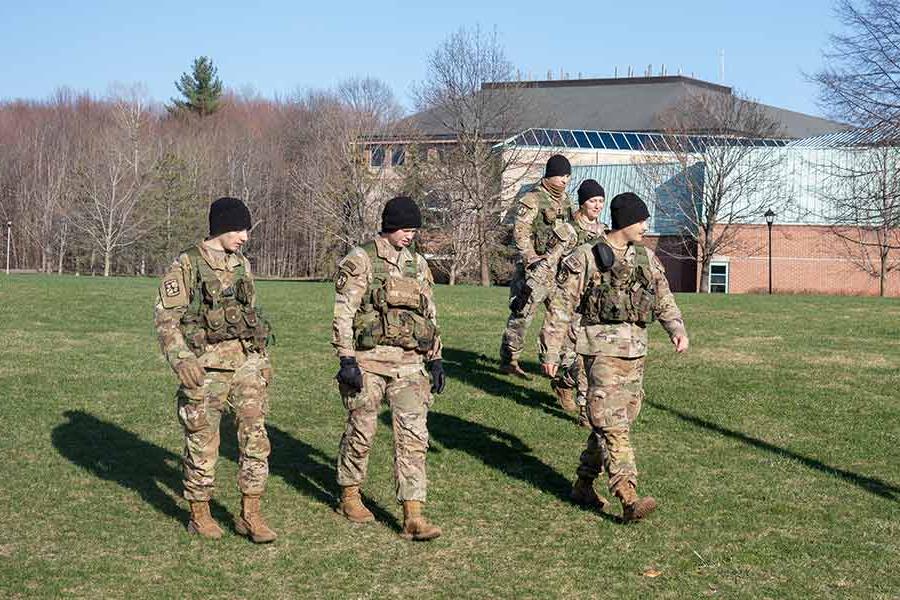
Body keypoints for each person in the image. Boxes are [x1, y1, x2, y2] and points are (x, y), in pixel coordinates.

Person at [541, 192, 689, 521]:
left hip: (634, 350)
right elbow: (561, 306)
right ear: (626, 221)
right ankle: (628, 494)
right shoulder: (586, 257)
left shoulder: (645, 259)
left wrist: (676, 329)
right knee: (614, 424)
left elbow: (663, 297)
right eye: (641, 221)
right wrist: (550, 350)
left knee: (615, 420)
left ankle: (583, 484)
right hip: (599, 350)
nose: (646, 227)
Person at [154, 196, 277, 542]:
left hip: (244, 366)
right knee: (203, 441)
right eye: (240, 229)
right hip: (205, 369)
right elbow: (166, 319)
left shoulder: (242, 265)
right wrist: (181, 359)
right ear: (222, 226)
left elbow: (252, 318)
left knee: (256, 438)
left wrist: (262, 360)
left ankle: (250, 514)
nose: (245, 237)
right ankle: (200, 512)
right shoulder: (187, 265)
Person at [332, 196, 445, 541]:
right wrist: (347, 358)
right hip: (367, 362)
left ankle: (413, 515)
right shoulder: (361, 259)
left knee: (413, 438)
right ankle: (349, 495)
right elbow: (343, 313)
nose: (411, 236)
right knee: (361, 432)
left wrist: (436, 356)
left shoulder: (418, 265)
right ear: (391, 226)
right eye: (406, 229)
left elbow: (428, 313)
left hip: (409, 364)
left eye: (414, 230)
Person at [500, 154, 573, 379]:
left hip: (558, 271)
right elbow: (520, 231)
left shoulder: (566, 200)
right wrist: (531, 258)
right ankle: (509, 360)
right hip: (535, 272)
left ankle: (560, 363)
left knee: (561, 317)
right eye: (561, 175)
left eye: (568, 176)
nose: (565, 180)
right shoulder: (532, 198)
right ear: (550, 175)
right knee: (522, 316)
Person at [540, 179, 606, 417]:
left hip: (593, 303)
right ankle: (574, 397)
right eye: (593, 201)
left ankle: (574, 397)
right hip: (567, 301)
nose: (597, 206)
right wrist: (550, 295)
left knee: (591, 356)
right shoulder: (567, 231)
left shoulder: (603, 232)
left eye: (600, 201)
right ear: (582, 202)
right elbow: (548, 264)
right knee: (572, 357)